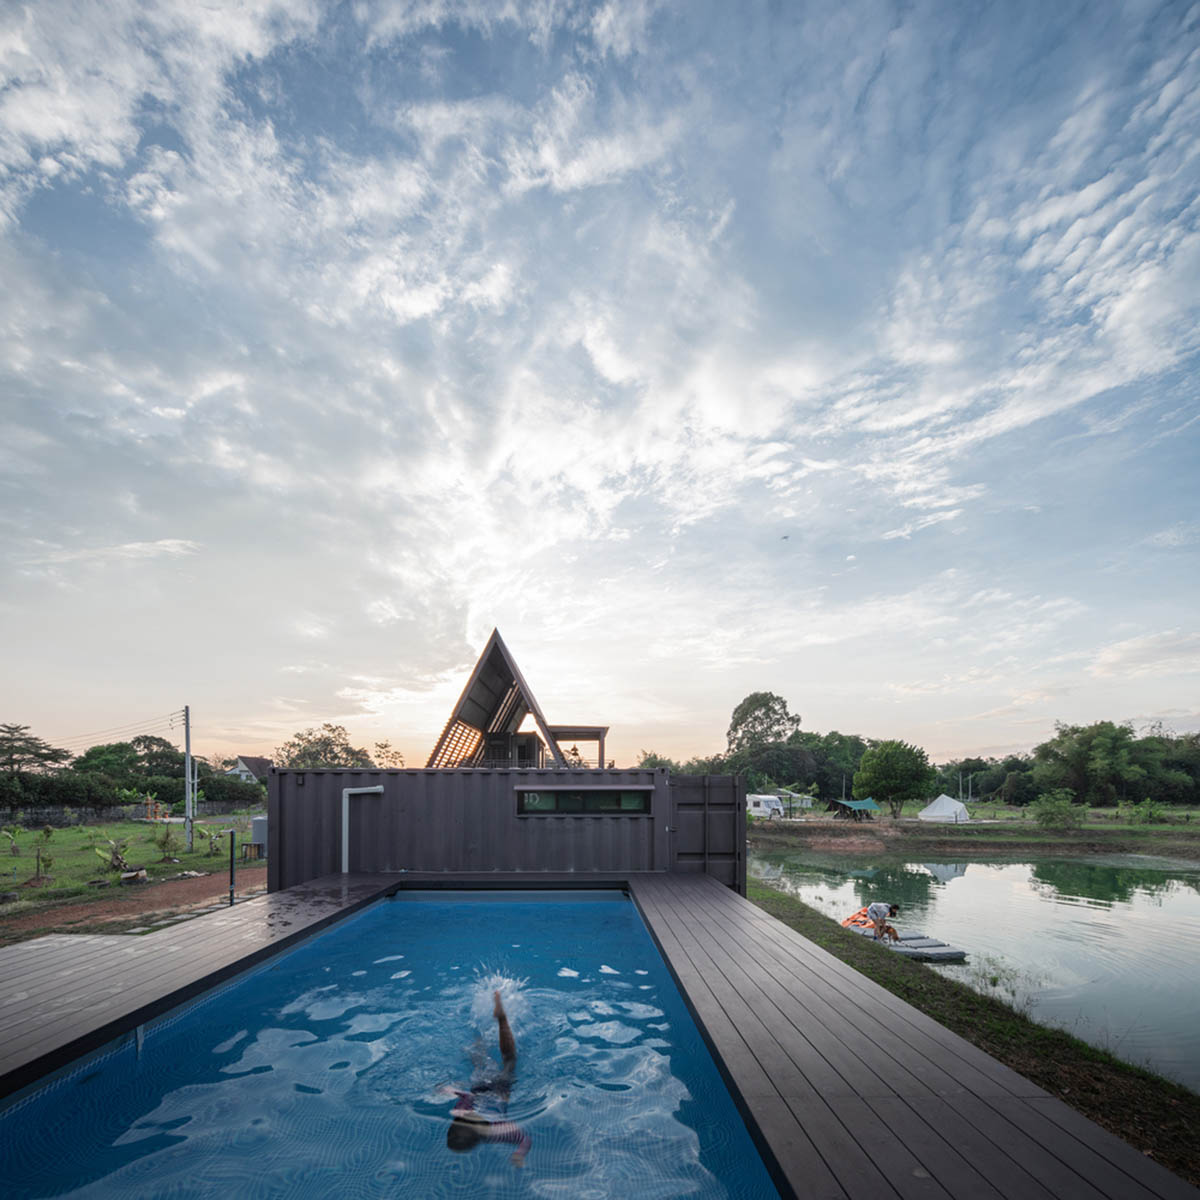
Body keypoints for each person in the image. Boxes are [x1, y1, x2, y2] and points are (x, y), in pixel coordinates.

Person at [445, 991, 532, 1168]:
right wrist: (450, 1089)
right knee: (479, 1063)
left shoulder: (498, 1132)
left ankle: (500, 1020)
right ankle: (481, 1038)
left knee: (510, 1060)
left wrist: (519, 1155)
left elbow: (525, 1140)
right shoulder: (461, 1111)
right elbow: (465, 1096)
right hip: (478, 1086)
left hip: (500, 1089)